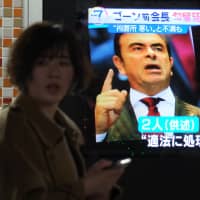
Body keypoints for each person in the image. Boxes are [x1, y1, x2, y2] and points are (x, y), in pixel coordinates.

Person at [0, 21, 125, 200]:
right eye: (42, 62)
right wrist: (87, 186)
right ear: (26, 70)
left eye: (63, 63)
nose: (54, 73)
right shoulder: (12, 127)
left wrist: (98, 186)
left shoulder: (66, 127)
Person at [95, 33, 200, 142]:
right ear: (120, 64)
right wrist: (100, 132)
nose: (151, 53)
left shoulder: (196, 115)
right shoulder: (106, 120)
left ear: (170, 63)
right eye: (138, 48)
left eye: (158, 49)